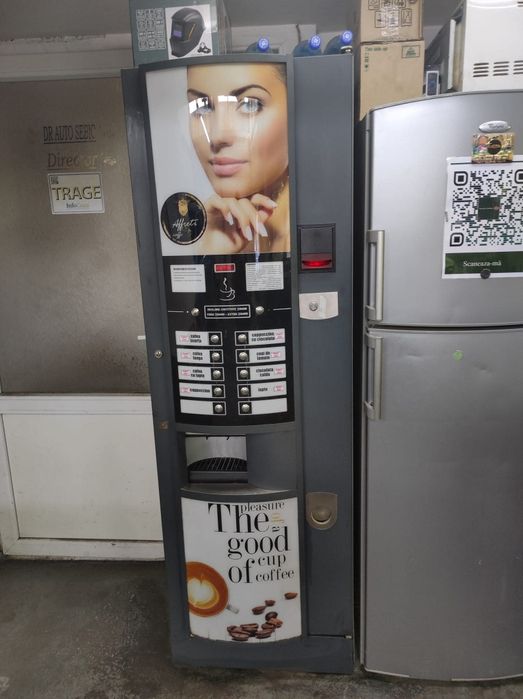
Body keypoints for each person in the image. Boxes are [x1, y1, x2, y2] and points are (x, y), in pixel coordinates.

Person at [186, 62, 290, 254]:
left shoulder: (318, 240)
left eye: (250, 104)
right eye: (202, 107)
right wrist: (211, 254)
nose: (216, 136)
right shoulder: (222, 235)